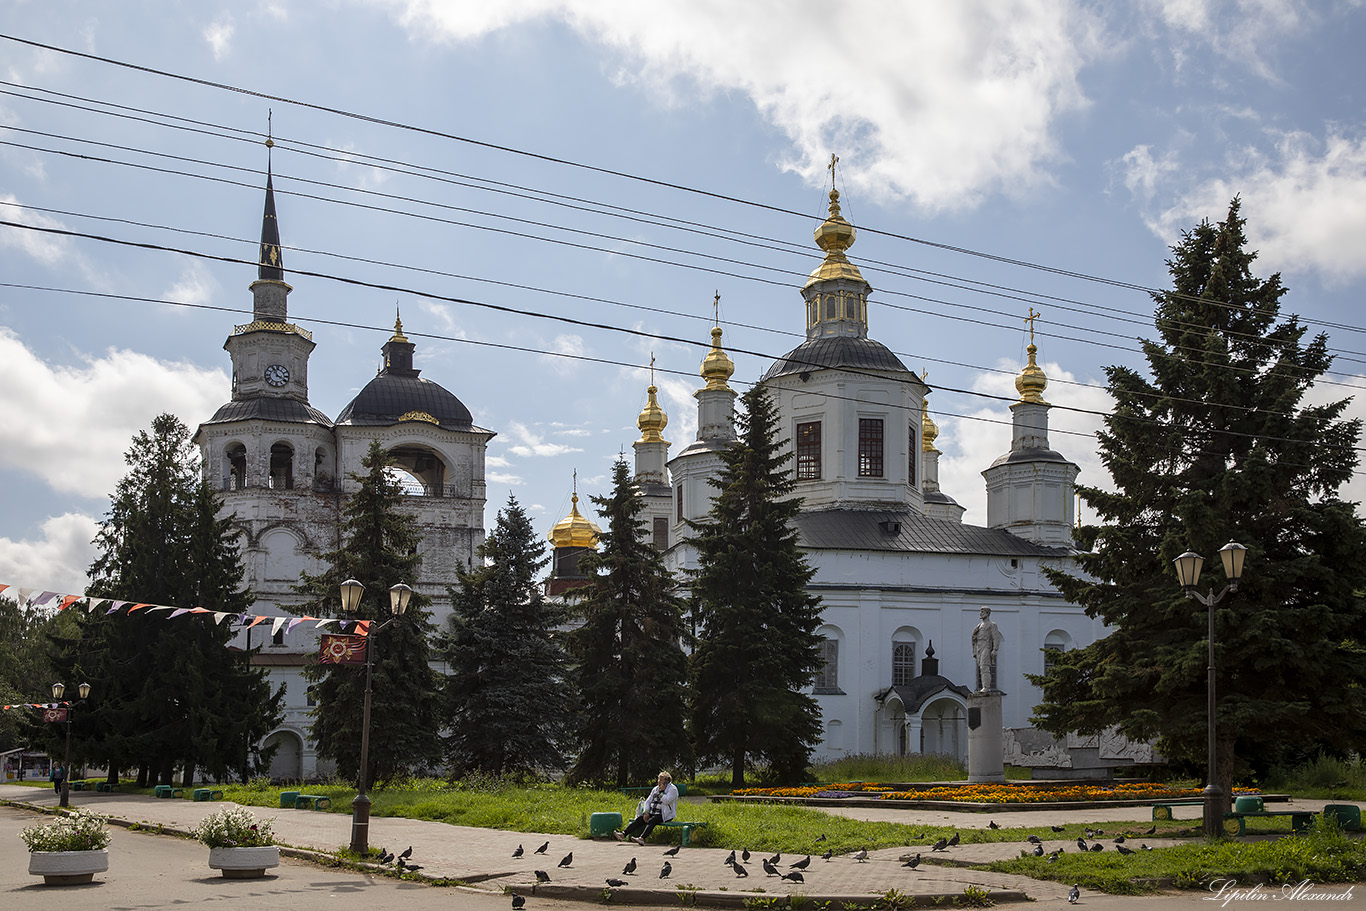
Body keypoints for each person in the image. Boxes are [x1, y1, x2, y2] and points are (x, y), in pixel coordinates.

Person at [616, 772, 678, 845]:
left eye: (661, 780)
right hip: (653, 812)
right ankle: (623, 834)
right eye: (658, 779)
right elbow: (648, 801)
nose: (659, 781)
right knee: (640, 819)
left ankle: (642, 838)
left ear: (666, 781)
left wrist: (661, 792)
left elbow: (667, 801)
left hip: (665, 814)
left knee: (652, 820)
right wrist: (646, 812)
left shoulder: (672, 789)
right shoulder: (655, 789)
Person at [971, 606, 1003, 692]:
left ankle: (986, 687)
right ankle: (983, 686)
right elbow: (974, 637)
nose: (980, 614)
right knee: (981, 667)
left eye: (982, 612)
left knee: (984, 666)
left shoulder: (992, 625)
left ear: (988, 613)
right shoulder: (979, 626)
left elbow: (996, 637)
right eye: (980, 612)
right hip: (979, 646)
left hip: (986, 645)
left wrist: (995, 649)